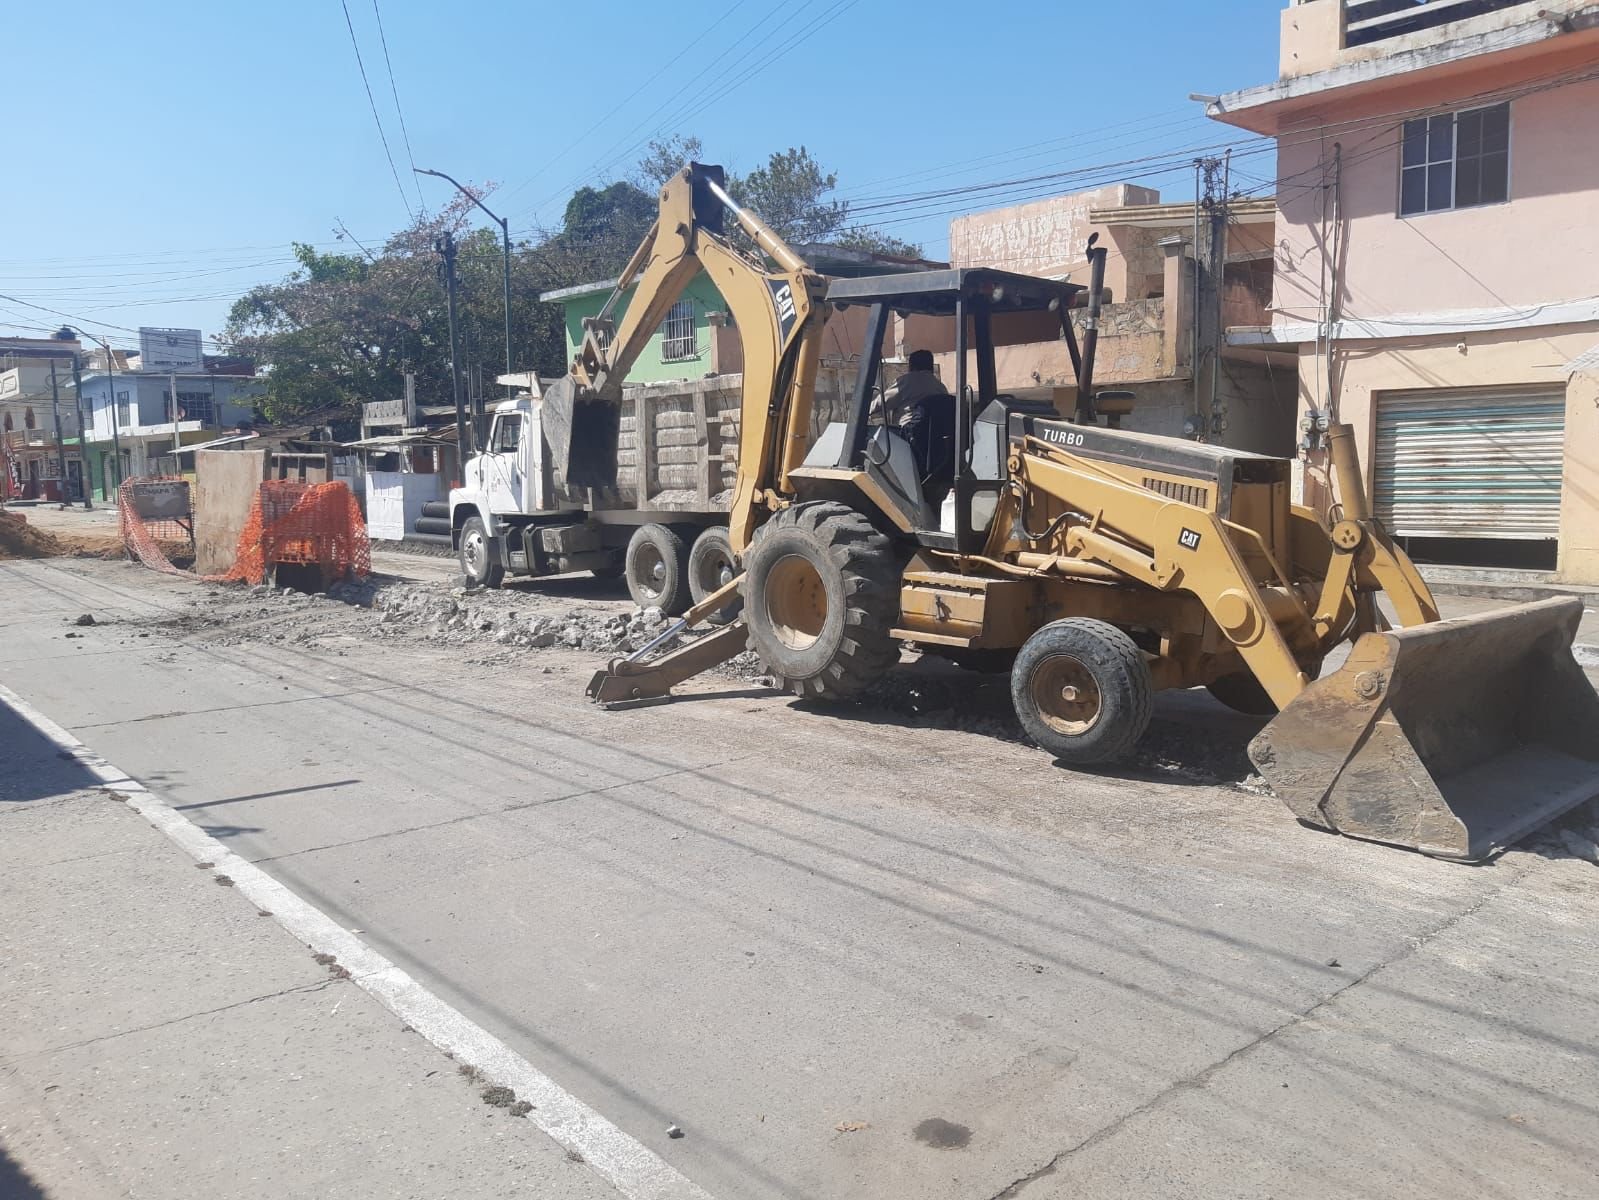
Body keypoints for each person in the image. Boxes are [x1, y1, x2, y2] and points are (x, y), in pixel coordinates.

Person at [869, 350, 948, 430]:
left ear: (911, 366)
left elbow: (882, 402)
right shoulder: (941, 387)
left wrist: (866, 409)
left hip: (909, 431)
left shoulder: (907, 381)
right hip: (935, 432)